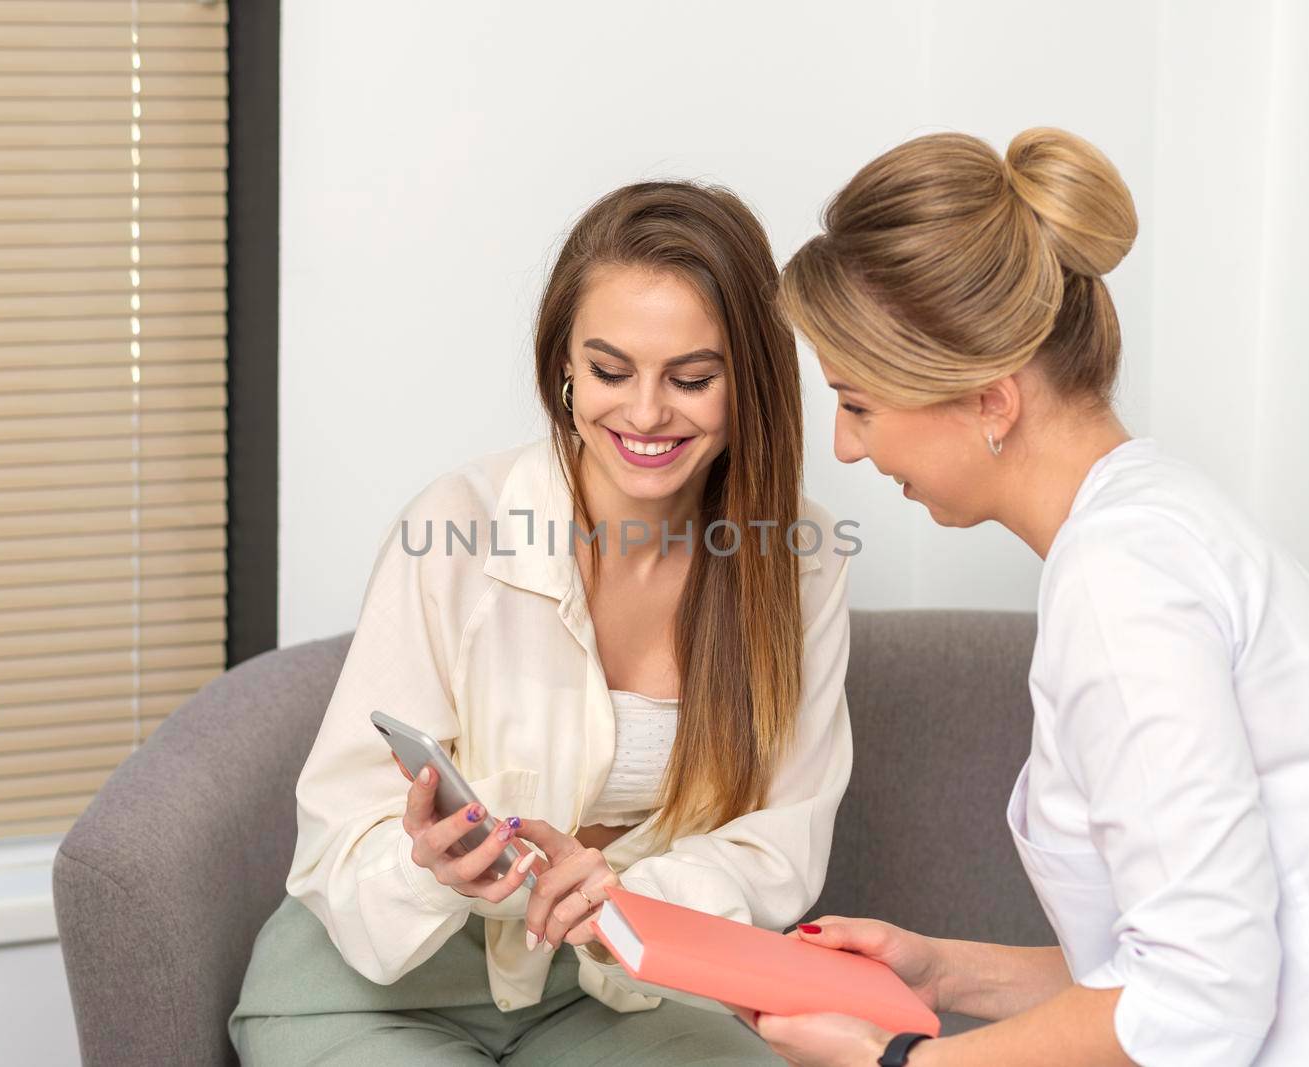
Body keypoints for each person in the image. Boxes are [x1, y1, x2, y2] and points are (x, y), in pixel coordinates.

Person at [747, 127, 1309, 1066]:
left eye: (857, 402)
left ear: (991, 400)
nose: (845, 448)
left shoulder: (1123, 581)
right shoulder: (1153, 523)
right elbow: (1176, 958)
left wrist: (891, 1064)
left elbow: (1198, 1002)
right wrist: (940, 971)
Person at [229, 180, 854, 1064]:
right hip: (382, 994)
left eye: (692, 378)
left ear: (748, 378)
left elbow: (783, 832)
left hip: (624, 996)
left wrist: (626, 900)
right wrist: (430, 866)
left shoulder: (801, 557)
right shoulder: (455, 528)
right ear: (562, 365)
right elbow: (341, 831)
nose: (644, 414)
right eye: (609, 371)